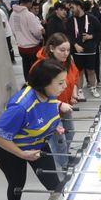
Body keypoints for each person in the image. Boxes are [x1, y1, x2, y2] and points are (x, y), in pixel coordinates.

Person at [0, 59, 72, 200]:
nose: (65, 85)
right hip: (11, 150)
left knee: (53, 182)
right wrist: (21, 154)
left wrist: (54, 127)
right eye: (60, 82)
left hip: (39, 145)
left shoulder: (50, 95)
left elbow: (45, 114)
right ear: (43, 84)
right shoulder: (21, 106)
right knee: (16, 183)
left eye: (64, 80)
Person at [32, 33, 79, 168]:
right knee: (59, 140)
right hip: (49, 111)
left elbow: (74, 77)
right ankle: (63, 166)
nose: (66, 54)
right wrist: (58, 104)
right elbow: (36, 94)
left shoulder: (67, 61)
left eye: (68, 50)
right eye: (62, 50)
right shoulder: (41, 67)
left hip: (65, 107)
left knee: (70, 133)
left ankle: (63, 155)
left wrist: (73, 93)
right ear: (51, 48)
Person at [66, 0, 101, 99]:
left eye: (72, 8)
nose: (71, 10)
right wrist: (75, 45)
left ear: (79, 6)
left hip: (90, 51)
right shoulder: (70, 20)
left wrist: (91, 37)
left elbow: (99, 33)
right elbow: (68, 35)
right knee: (79, 72)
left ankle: (93, 88)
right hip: (77, 52)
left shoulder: (92, 19)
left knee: (91, 71)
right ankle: (80, 90)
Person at [9, 0, 44, 82]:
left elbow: (12, 29)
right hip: (32, 48)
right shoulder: (28, 15)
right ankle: (36, 86)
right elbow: (37, 31)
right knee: (36, 69)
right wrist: (41, 34)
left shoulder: (13, 14)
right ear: (30, 3)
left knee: (26, 68)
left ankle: (28, 85)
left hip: (21, 47)